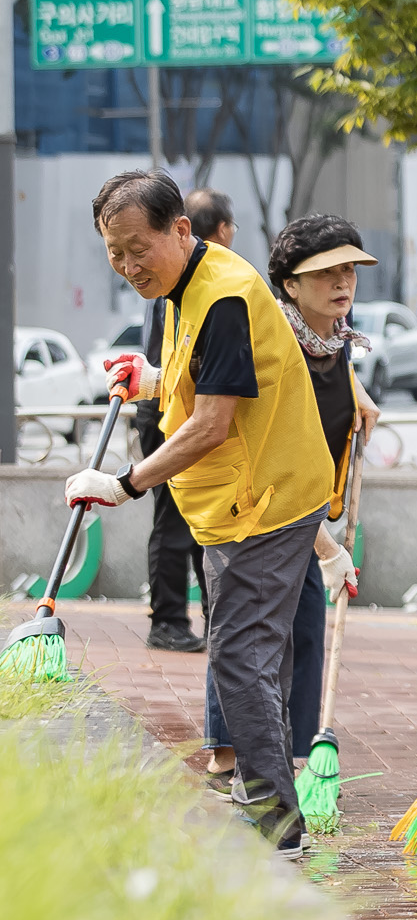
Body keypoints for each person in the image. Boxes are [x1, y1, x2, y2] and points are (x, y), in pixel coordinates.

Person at [80, 170, 343, 855]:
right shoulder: (187, 285)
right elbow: (211, 375)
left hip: (262, 502)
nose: (130, 266)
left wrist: (126, 483)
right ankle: (269, 804)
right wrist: (152, 378)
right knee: (255, 654)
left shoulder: (222, 293)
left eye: (139, 247)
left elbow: (212, 423)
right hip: (244, 502)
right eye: (114, 253)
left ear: (181, 231)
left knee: (240, 654)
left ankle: (276, 824)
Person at [199, 215, 379, 786]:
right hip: (260, 510)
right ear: (290, 286)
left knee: (298, 629)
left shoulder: (334, 340)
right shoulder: (271, 338)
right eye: (324, 273)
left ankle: (292, 758)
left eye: (348, 269)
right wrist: (328, 549)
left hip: (306, 508)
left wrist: (357, 393)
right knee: (251, 636)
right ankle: (235, 757)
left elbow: (324, 398)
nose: (341, 282)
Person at [133, 188, 236, 652]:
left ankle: (212, 614)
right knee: (174, 521)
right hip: (167, 414)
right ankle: (169, 620)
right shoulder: (186, 281)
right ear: (223, 230)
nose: (131, 266)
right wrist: (123, 484)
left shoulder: (205, 279)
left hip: (178, 408)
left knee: (196, 516)